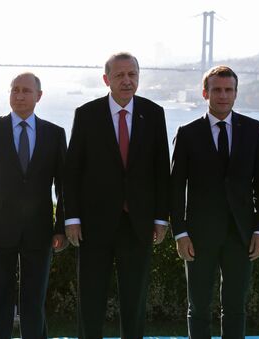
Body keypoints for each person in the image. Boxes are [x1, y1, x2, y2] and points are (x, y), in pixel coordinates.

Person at [64, 52, 171, 338]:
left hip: (138, 224)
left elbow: (162, 171)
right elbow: (72, 171)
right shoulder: (86, 114)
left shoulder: (154, 113)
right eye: (120, 75)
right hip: (93, 224)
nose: (127, 80)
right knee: (91, 300)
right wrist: (71, 217)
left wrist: (161, 218)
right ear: (106, 79)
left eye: (132, 74)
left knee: (134, 301)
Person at [170, 65, 259, 338]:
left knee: (236, 307)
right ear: (205, 93)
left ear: (236, 93)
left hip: (241, 234)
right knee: (199, 307)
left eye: (228, 90)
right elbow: (176, 189)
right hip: (199, 236)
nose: (223, 95)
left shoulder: (253, 129)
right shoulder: (188, 133)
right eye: (217, 89)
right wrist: (180, 232)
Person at [0, 72, 67, 338]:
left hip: (40, 230)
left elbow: (63, 186)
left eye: (25, 91)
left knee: (34, 302)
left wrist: (61, 227)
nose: (19, 96)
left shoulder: (54, 134)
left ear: (39, 96)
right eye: (15, 90)